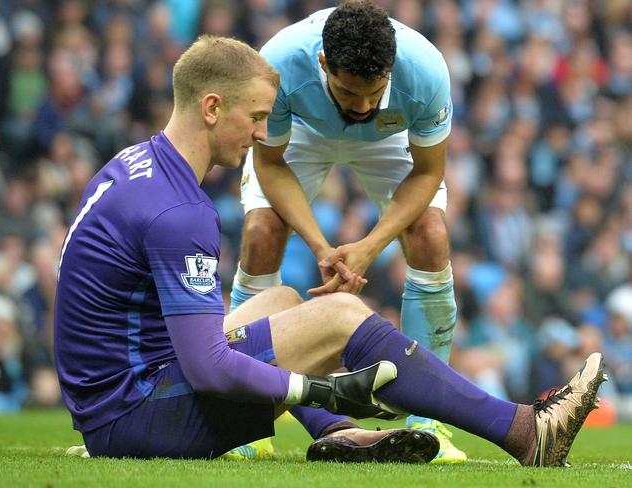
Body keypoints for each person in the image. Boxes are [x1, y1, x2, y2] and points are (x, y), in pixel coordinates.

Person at [53, 34, 607, 467]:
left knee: (287, 300)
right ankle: (525, 430)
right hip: (140, 417)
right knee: (341, 315)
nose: (262, 133)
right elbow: (207, 369)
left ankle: (338, 434)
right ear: (213, 107)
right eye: (255, 117)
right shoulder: (180, 212)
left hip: (118, 402)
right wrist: (324, 387)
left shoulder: (135, 164)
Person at [228, 0, 462, 461]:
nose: (362, 106)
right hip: (304, 130)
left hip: (389, 139)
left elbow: (428, 172)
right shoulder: (278, 64)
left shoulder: (426, 69)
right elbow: (270, 164)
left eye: (374, 92)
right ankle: (242, 422)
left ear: (390, 70)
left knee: (431, 234)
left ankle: (428, 424)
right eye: (348, 91)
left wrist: (370, 247)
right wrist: (321, 246)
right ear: (322, 64)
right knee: (261, 234)